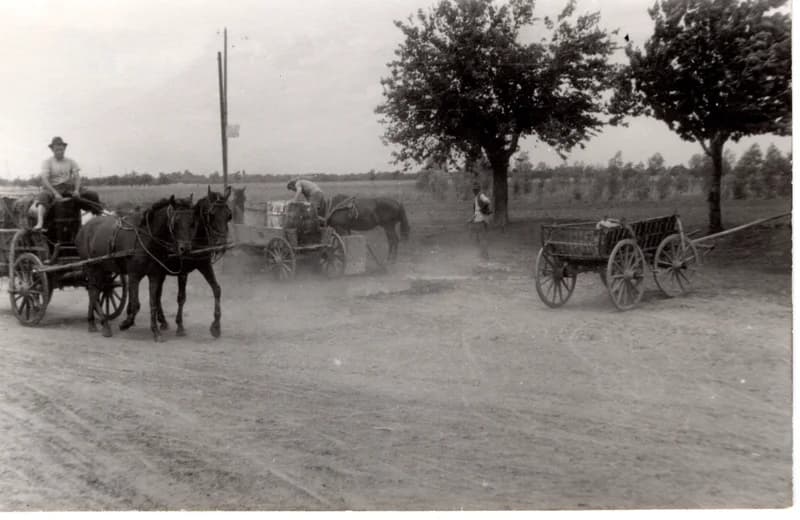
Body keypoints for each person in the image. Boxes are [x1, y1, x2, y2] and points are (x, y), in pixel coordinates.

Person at [32, 136, 100, 230]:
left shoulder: (71, 161)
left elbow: (77, 177)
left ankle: (98, 218)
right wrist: (55, 193)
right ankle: (40, 223)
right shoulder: (47, 162)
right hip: (53, 187)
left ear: (64, 149)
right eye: (57, 149)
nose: (59, 151)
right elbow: (45, 179)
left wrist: (76, 190)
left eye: (61, 149)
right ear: (52, 150)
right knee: (42, 197)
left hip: (69, 187)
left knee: (92, 195)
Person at [467, 181, 492, 260]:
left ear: (478, 189)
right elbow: (476, 211)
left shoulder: (480, 195)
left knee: (482, 238)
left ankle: (485, 256)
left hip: (481, 221)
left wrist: (483, 208)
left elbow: (488, 201)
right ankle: (482, 254)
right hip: (477, 220)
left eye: (476, 189)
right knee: (477, 239)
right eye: (473, 189)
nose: (474, 190)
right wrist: (471, 219)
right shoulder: (476, 197)